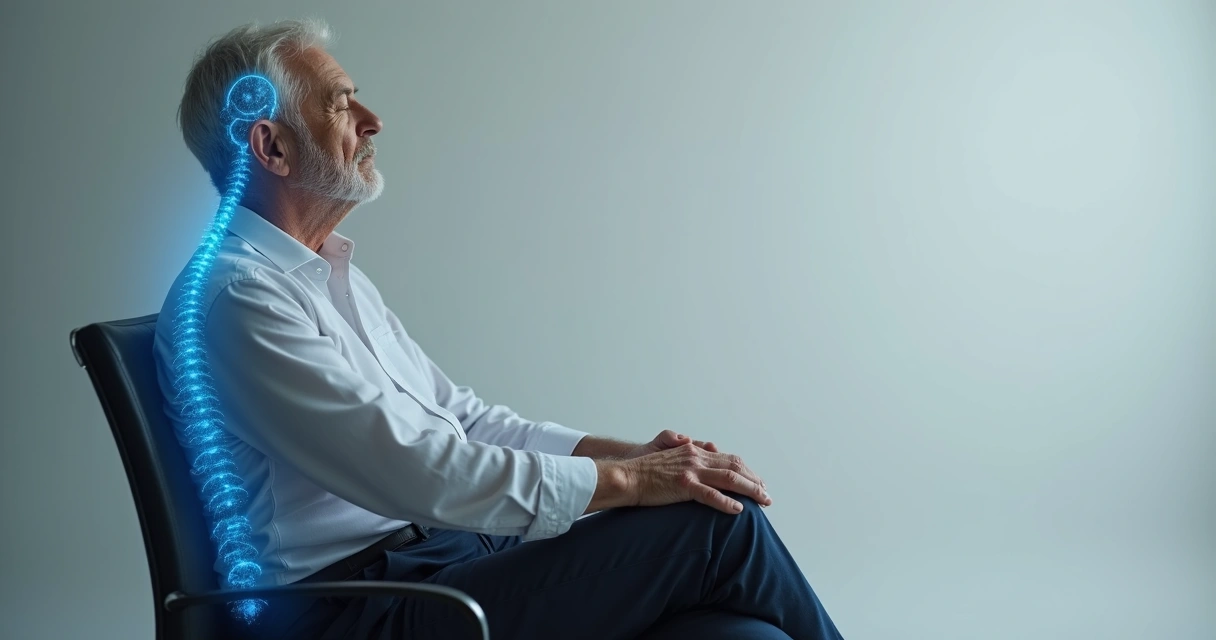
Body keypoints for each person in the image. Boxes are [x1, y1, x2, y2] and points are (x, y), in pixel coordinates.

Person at [154, 19, 844, 640]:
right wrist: (632, 483)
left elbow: (462, 421)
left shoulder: (327, 275)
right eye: (340, 103)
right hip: (359, 609)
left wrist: (635, 455)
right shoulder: (240, 300)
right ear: (270, 147)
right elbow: (423, 472)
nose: (372, 119)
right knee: (718, 531)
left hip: (448, 564)